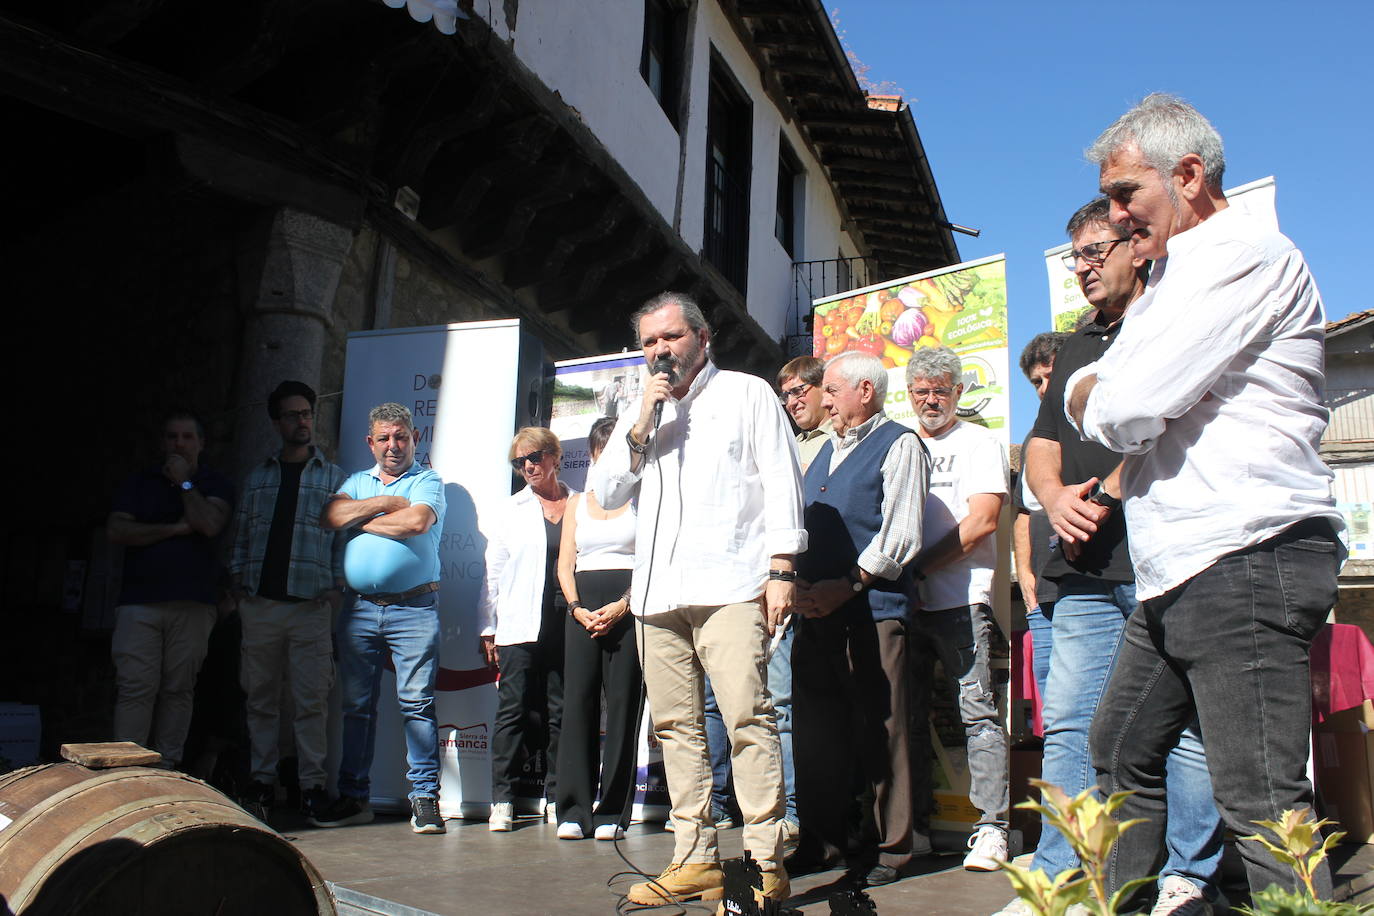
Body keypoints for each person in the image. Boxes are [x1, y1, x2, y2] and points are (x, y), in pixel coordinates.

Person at [1067, 94, 1342, 904]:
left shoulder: (1243, 252)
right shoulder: (1170, 281)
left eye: (1126, 194)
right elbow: (1122, 399)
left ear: (1188, 175)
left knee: (1261, 800)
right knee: (1119, 749)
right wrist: (1105, 388)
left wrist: (1096, 387)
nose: (1115, 218)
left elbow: (1122, 408)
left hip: (1246, 555)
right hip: (1184, 570)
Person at [997, 198, 1225, 916]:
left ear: (1137, 246)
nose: (1085, 268)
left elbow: (1195, 419)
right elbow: (1040, 442)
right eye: (1077, 257)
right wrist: (1053, 496)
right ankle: (1065, 875)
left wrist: (1119, 487)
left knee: (1184, 729)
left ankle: (1187, 878)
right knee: (1068, 722)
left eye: (1097, 251)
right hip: (1086, 573)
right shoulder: (1071, 345)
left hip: (1169, 560)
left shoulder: (1174, 314)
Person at [590, 291, 804, 907]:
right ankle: (695, 858)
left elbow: (781, 479)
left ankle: (765, 863)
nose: (660, 352)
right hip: (658, 595)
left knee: (747, 719)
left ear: (702, 340)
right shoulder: (645, 410)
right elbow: (605, 493)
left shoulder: (747, 393)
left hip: (733, 584)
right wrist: (640, 423)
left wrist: (782, 566)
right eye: (650, 342)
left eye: (671, 338)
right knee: (675, 729)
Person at [791, 351, 929, 887]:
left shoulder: (900, 445)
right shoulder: (823, 452)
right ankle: (821, 841)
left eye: (830, 389)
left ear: (864, 390)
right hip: (815, 616)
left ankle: (890, 851)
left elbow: (900, 534)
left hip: (873, 613)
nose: (823, 400)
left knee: (881, 730)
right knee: (816, 732)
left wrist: (847, 585)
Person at [701, 355, 826, 845]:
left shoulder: (834, 445)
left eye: (802, 391)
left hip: (813, 592)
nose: (793, 402)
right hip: (758, 594)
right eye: (787, 394)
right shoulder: (787, 443)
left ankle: (789, 811)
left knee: (784, 708)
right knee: (757, 706)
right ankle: (748, 806)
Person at [313, 402, 447, 835]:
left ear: (415, 439)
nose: (394, 445)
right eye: (385, 438)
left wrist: (361, 517)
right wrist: (387, 502)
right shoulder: (355, 480)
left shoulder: (427, 480)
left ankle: (425, 799)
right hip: (359, 611)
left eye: (401, 436)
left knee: (417, 704)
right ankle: (354, 798)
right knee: (356, 707)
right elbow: (330, 516)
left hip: (413, 608)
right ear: (371, 443)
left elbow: (416, 522)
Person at [904, 346, 1010, 873]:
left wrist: (918, 568)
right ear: (908, 394)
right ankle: (915, 828)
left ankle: (993, 828)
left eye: (941, 390)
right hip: (901, 604)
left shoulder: (979, 442)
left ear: (959, 392)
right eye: (921, 391)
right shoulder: (899, 445)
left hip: (959, 599)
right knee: (905, 717)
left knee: (978, 713)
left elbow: (983, 521)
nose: (931, 400)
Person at [228, 381, 347, 822]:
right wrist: (238, 586)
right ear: (277, 422)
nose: (302, 421)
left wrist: (336, 589)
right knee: (259, 697)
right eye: (293, 415)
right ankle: (262, 780)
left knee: (310, 699)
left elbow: (342, 541)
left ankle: (311, 786)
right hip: (260, 605)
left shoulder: (333, 477)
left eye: (307, 413)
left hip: (310, 605)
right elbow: (241, 533)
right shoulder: (258, 477)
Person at [107, 411, 235, 770]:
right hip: (139, 602)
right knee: (135, 688)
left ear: (201, 443)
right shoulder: (139, 483)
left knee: (179, 689)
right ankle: (126, 772)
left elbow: (208, 524)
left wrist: (184, 484)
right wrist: (175, 529)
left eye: (187, 437)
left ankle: (167, 770)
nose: (179, 444)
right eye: (172, 437)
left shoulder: (215, 484)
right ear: (162, 443)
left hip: (193, 603)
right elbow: (117, 531)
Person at [554, 417, 642, 841]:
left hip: (627, 607)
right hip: (582, 610)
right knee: (579, 702)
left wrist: (624, 603)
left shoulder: (644, 498)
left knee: (624, 706)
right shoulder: (576, 503)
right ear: (592, 455)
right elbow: (565, 562)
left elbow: (648, 558)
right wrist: (575, 607)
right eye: (601, 451)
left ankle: (612, 812)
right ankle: (572, 808)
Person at [479, 427, 571, 831]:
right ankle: (503, 799)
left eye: (534, 457)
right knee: (512, 711)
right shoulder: (509, 510)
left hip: (567, 621)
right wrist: (488, 627)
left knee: (561, 712)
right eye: (520, 462)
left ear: (554, 456)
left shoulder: (580, 505)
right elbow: (491, 573)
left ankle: (556, 794)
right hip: (517, 624)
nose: (528, 466)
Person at [1013, 332, 1068, 698]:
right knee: (1054, 705)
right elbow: (1023, 514)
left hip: (1092, 587)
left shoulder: (1096, 428)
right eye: (1036, 381)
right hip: (1045, 596)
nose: (1043, 388)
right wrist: (1026, 576)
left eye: (1050, 376)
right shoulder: (1035, 438)